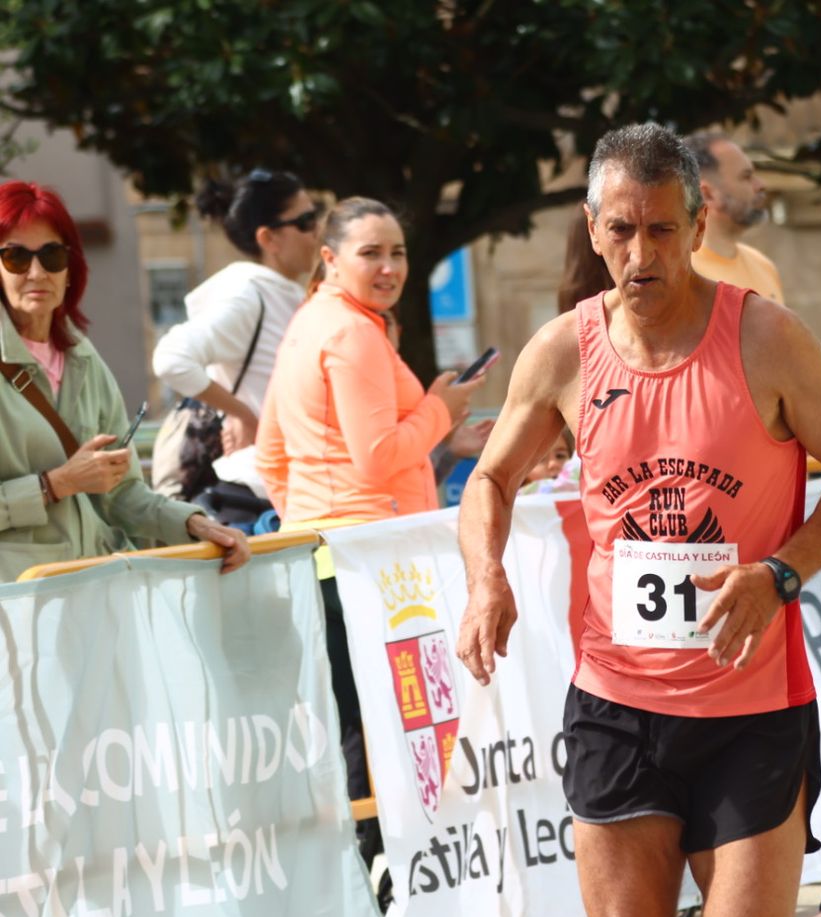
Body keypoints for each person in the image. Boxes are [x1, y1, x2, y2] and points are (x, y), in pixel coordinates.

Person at [455, 123, 821, 917]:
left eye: (663, 230)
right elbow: (490, 481)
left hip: (751, 708)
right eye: (622, 231)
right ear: (593, 229)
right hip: (617, 706)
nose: (641, 254)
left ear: (697, 220)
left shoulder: (765, 337)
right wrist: (486, 578)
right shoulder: (563, 352)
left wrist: (779, 573)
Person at [256, 196, 485, 881]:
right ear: (329, 259)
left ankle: (374, 873)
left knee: (361, 722)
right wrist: (442, 410)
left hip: (330, 554)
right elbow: (377, 455)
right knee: (380, 725)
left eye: (399, 253)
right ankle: (386, 873)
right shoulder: (352, 334)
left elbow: (273, 457)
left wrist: (310, 519)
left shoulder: (314, 324)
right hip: (366, 561)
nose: (389, 267)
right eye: (371, 253)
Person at [0, 179, 248, 582]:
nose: (36, 272)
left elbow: (122, 493)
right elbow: (72, 485)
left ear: (69, 268)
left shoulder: (81, 356)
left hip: (97, 587)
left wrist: (195, 525)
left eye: (51, 255)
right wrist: (54, 485)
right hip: (19, 602)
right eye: (15, 257)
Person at [151, 169, 320, 499]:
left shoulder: (284, 293)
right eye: (305, 222)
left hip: (289, 485)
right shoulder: (248, 293)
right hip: (255, 489)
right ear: (268, 238)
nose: (316, 233)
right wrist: (244, 415)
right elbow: (172, 359)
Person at [684, 132, 784, 304]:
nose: (760, 185)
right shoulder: (682, 277)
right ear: (708, 194)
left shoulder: (763, 265)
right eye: (746, 176)